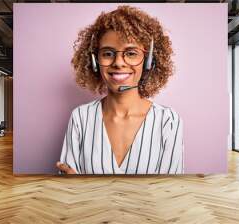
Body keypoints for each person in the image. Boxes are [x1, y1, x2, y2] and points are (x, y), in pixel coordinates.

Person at [56, 5, 183, 174]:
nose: (118, 62)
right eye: (108, 53)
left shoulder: (168, 121)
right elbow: (69, 190)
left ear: (148, 61)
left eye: (131, 53)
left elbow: (170, 190)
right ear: (94, 61)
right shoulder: (81, 117)